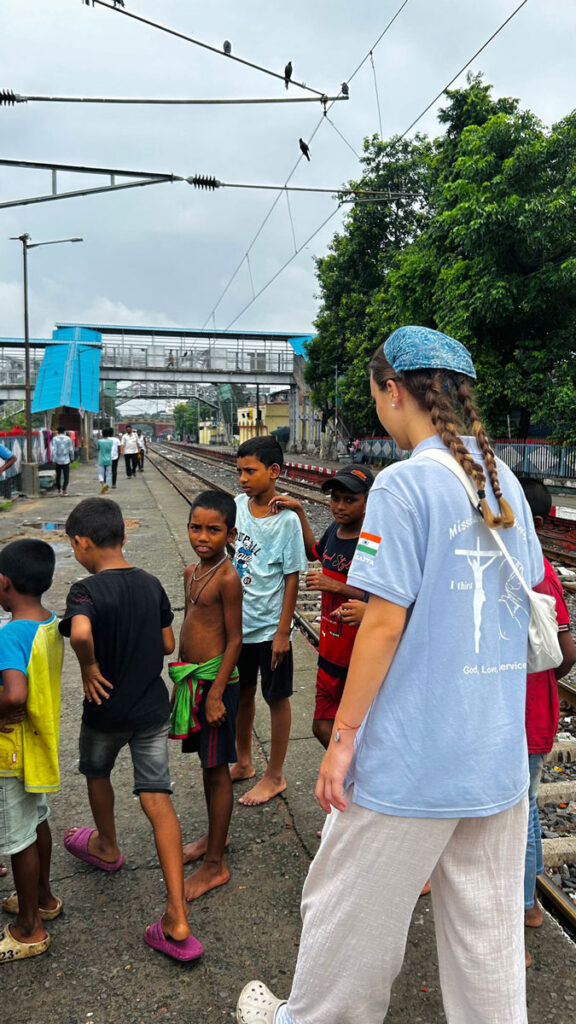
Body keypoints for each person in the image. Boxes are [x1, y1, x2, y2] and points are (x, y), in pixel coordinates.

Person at [236, 325, 545, 1024]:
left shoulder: (405, 485)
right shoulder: (502, 487)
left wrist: (343, 736)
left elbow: (382, 620)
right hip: (494, 754)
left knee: (345, 909)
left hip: (414, 752)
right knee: (484, 935)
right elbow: (526, 588)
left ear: (393, 391)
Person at [59, 497, 201, 962]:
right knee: (157, 799)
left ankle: (106, 844)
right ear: (123, 535)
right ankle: (177, 916)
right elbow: (165, 642)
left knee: (97, 773)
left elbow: (80, 634)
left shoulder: (84, 591)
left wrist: (90, 665)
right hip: (150, 712)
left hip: (104, 710)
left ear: (81, 543)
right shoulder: (150, 582)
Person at [170, 491, 242, 900]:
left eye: (213, 530)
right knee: (206, 766)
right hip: (193, 684)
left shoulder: (228, 578)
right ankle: (215, 839)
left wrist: (215, 694)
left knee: (217, 771)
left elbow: (235, 641)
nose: (203, 536)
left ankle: (215, 864)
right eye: (196, 528)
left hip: (215, 686)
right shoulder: (191, 572)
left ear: (230, 533)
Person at [273, 465, 373, 748]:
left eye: (349, 500)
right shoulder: (334, 531)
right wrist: (300, 512)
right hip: (329, 652)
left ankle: (357, 783)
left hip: (357, 657)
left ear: (368, 502)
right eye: (335, 498)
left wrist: (335, 586)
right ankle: (352, 780)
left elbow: (380, 600)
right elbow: (312, 552)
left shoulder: (371, 542)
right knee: (321, 726)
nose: (339, 506)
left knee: (356, 730)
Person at [232, 436, 307, 806]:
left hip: (269, 628)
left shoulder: (287, 521)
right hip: (238, 627)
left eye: (250, 470)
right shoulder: (236, 508)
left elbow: (293, 575)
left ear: (274, 471)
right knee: (242, 693)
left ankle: (274, 775)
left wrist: (283, 632)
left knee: (276, 697)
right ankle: (243, 761)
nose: (243, 478)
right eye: (239, 471)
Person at [520, 478, 576, 967]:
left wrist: (529, 677)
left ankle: (525, 904)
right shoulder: (535, 571)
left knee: (520, 815)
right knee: (525, 809)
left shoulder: (533, 574)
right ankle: (529, 903)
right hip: (534, 712)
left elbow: (566, 654)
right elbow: (564, 653)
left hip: (525, 717)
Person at [0, 539, 64, 963]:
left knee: (17, 837)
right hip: (39, 743)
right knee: (37, 820)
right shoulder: (49, 621)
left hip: (11, 752)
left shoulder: (10, 634)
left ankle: (28, 928)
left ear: (4, 584)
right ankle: (42, 897)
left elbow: (15, 695)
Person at [51, 427, 74, 495]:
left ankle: (59, 490)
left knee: (58, 476)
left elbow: (54, 449)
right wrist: (72, 458)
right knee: (66, 476)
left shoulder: (54, 438)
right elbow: (71, 449)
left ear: (58, 431)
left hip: (57, 460)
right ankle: (64, 490)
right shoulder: (68, 438)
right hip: (66, 460)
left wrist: (53, 459)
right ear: (64, 431)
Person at [97, 428, 114, 494]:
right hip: (109, 459)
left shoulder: (100, 441)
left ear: (102, 434)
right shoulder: (111, 441)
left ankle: (103, 484)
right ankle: (107, 486)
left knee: (100, 473)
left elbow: (98, 448)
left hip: (101, 459)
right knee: (108, 473)